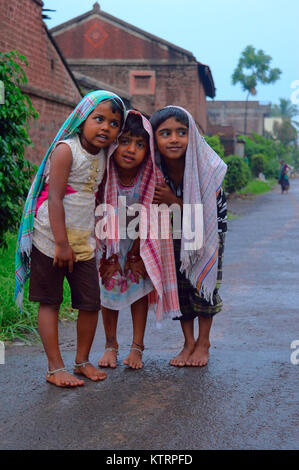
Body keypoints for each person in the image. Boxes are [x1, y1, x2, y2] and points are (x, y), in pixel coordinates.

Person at [15, 90, 126, 387]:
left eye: (114, 123)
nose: (106, 127)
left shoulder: (104, 154)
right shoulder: (66, 150)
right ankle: (55, 367)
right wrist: (61, 244)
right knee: (49, 302)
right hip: (50, 240)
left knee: (90, 303)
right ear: (82, 119)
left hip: (84, 243)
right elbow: (54, 199)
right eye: (98, 119)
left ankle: (81, 361)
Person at [96, 110, 180, 369]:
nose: (131, 149)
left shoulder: (150, 176)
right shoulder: (104, 171)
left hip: (140, 243)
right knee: (106, 293)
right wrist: (108, 250)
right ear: (114, 144)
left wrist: (136, 251)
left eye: (140, 144)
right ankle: (110, 345)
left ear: (148, 150)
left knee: (139, 293)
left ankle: (137, 347)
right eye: (125, 141)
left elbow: (152, 215)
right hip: (107, 241)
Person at [150, 106, 227, 367]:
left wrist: (174, 201)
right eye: (165, 133)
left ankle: (203, 342)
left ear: (191, 134)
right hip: (173, 230)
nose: (174, 139)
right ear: (155, 139)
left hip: (207, 230)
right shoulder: (154, 167)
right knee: (180, 286)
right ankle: (188, 343)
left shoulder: (205, 164)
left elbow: (207, 214)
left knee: (201, 285)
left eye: (181, 132)